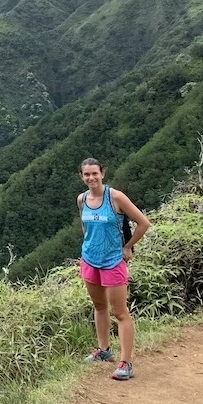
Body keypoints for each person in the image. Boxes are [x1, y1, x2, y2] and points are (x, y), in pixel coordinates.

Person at [77, 157, 150, 381]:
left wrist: (128, 247)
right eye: (86, 174)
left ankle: (126, 362)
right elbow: (85, 226)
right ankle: (103, 350)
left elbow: (143, 223)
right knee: (99, 306)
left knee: (120, 312)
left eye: (94, 173)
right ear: (82, 176)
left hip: (112, 260)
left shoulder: (114, 197)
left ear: (102, 174)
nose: (91, 178)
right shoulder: (82, 199)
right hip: (90, 259)